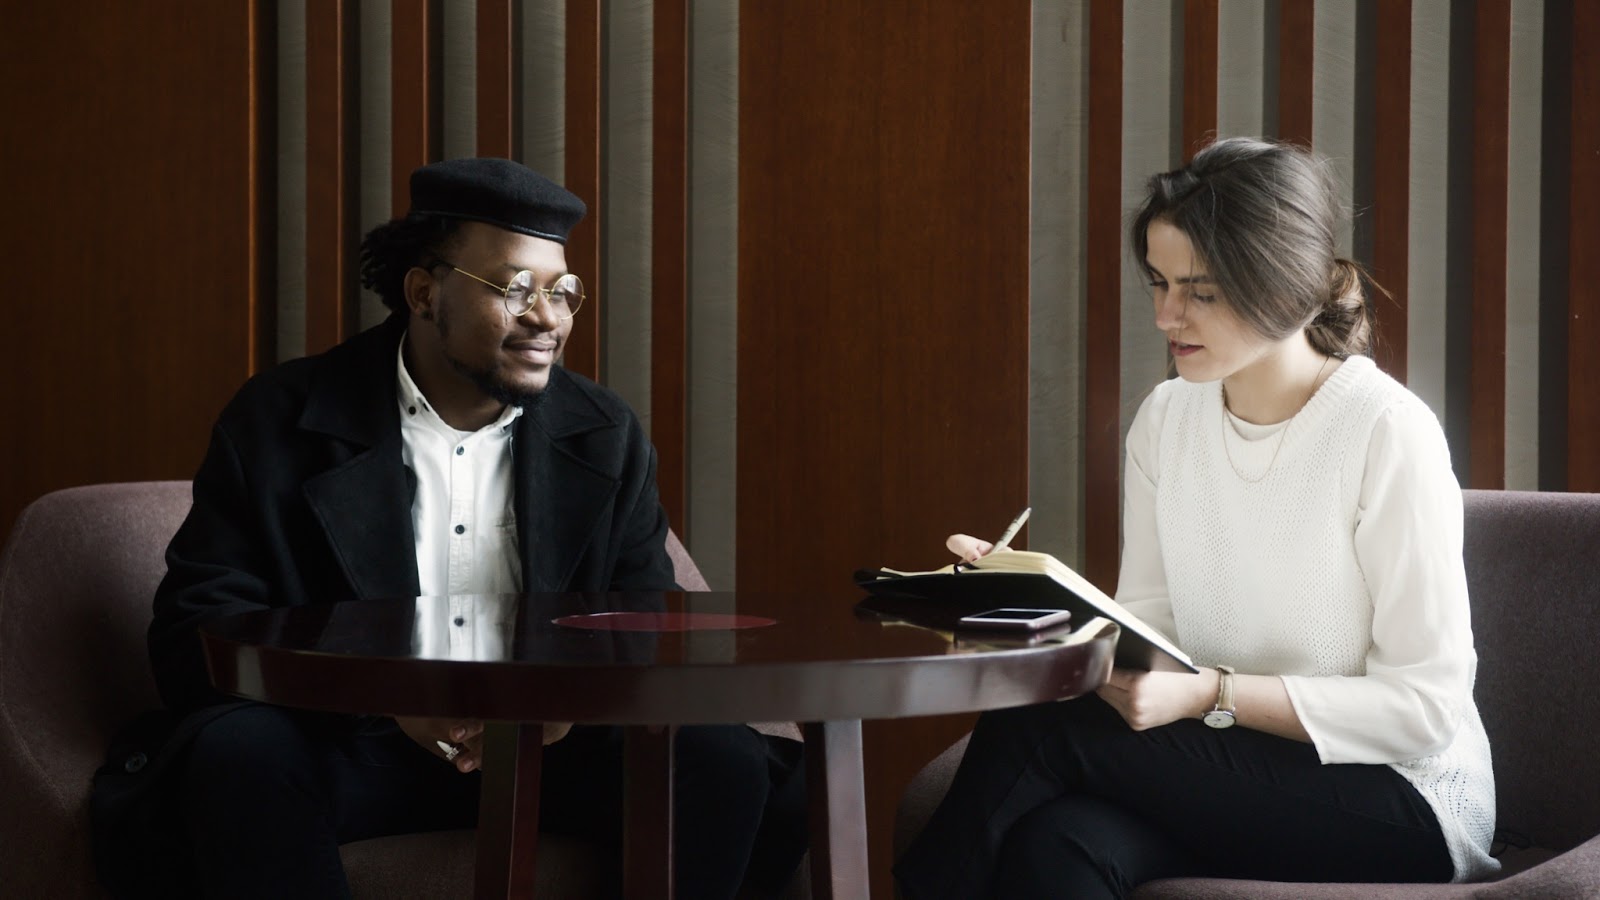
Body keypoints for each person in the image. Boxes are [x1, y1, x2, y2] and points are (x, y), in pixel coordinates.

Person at [91, 158, 807, 899]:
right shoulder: (277, 419)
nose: (547, 318)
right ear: (425, 292)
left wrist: (564, 705)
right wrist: (388, 695)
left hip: (553, 747)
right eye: (515, 289)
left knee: (718, 756)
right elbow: (194, 635)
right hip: (347, 742)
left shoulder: (603, 434)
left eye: (562, 292)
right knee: (238, 752)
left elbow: (644, 624)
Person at [894, 137, 1498, 898]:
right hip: (1229, 765)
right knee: (1059, 848)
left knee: (1040, 730)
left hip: (1401, 800)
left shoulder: (1385, 431)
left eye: (1200, 291)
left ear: (1283, 285)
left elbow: (1423, 709)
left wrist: (1213, 693)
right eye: (1159, 282)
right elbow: (1154, 639)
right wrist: (1031, 609)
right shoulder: (1166, 419)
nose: (1164, 316)